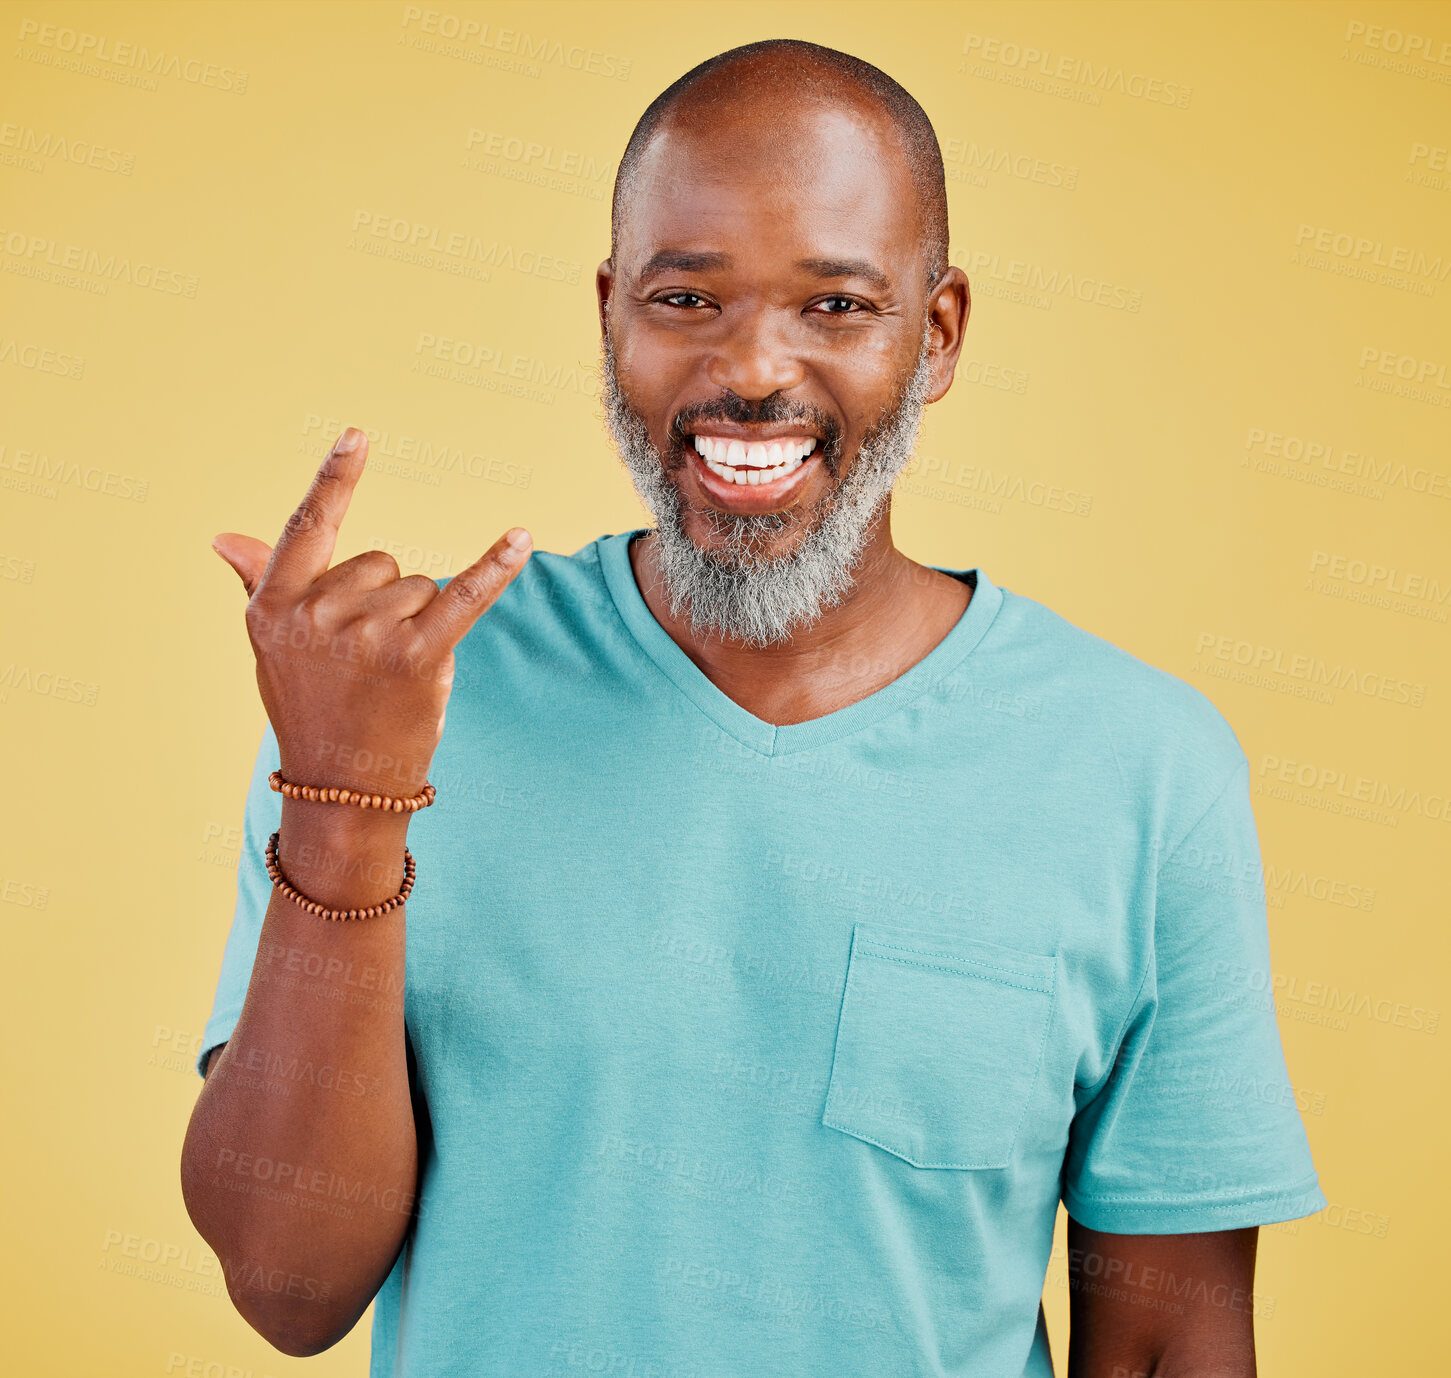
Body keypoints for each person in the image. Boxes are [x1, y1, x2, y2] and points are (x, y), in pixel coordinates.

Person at [181, 38, 1325, 1378]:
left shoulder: (1143, 767)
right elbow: (285, 1286)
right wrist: (340, 802)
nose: (756, 371)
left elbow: (1171, 1335)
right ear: (611, 312)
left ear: (937, 332)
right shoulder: (390, 701)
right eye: (687, 299)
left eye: (835, 306)